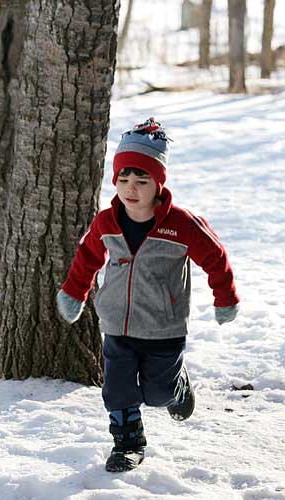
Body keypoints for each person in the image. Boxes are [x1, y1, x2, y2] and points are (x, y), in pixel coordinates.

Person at [57, 117, 240, 473]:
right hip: (116, 324)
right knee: (117, 387)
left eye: (141, 180)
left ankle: (177, 387)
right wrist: (74, 292)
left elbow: (216, 257)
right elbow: (87, 257)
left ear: (158, 183)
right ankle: (127, 443)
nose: (131, 188)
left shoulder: (182, 224)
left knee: (158, 394)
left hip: (163, 328)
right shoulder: (106, 222)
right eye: (123, 179)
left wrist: (225, 297)